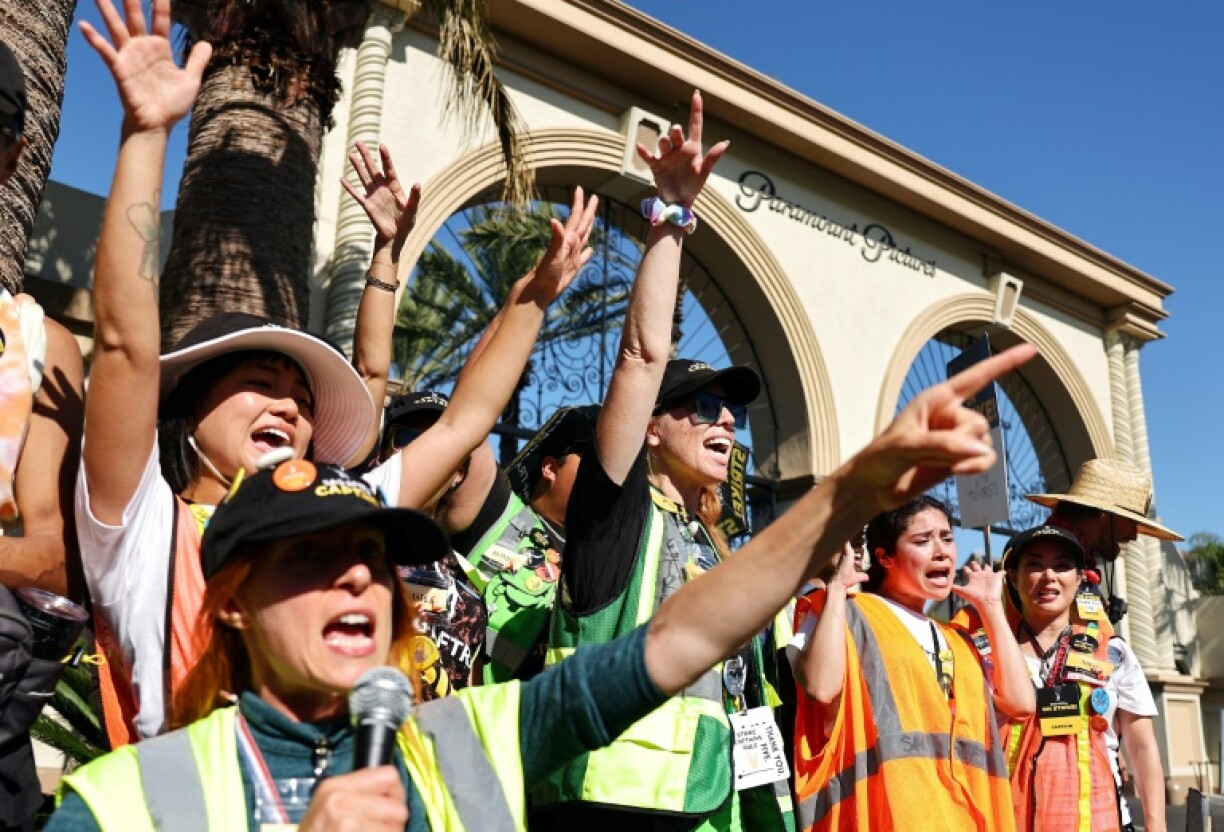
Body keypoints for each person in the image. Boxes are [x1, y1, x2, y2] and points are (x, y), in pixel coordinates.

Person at [46, 322, 1039, 832]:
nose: (354, 581)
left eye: (371, 558)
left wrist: (855, 491)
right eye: (309, 558)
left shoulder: (468, 739)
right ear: (229, 602)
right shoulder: (124, 800)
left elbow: (685, 636)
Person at [77, 0, 590, 743]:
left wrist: (536, 297)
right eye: (261, 381)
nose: (287, 406)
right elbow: (126, 343)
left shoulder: (336, 509)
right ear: (190, 411)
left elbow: (464, 424)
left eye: (300, 396)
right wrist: (147, 134)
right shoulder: (143, 530)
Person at [533, 90, 798, 830]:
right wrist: (672, 216)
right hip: (605, 802)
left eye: (734, 413)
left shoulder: (716, 547)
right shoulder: (617, 511)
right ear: (649, 430)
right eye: (702, 408)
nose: (724, 423)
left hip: (709, 807)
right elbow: (643, 355)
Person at [790, 495, 1035, 831]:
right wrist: (835, 591)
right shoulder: (847, 612)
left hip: (961, 818)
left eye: (947, 538)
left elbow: (1021, 702)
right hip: (882, 818)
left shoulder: (955, 639)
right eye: (922, 541)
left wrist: (992, 606)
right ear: (885, 557)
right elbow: (821, 686)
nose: (942, 551)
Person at [998, 525, 1164, 832]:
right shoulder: (986, 655)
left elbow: (1142, 748)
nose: (1049, 576)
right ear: (1012, 576)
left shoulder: (1112, 652)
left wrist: (1157, 826)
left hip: (1102, 823)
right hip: (1010, 822)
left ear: (1079, 578)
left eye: (1062, 565)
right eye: (1034, 564)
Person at [1027, 458, 1183, 626]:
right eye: (1131, 522)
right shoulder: (1049, 557)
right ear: (1104, 515)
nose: (1133, 535)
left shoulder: (1077, 561)